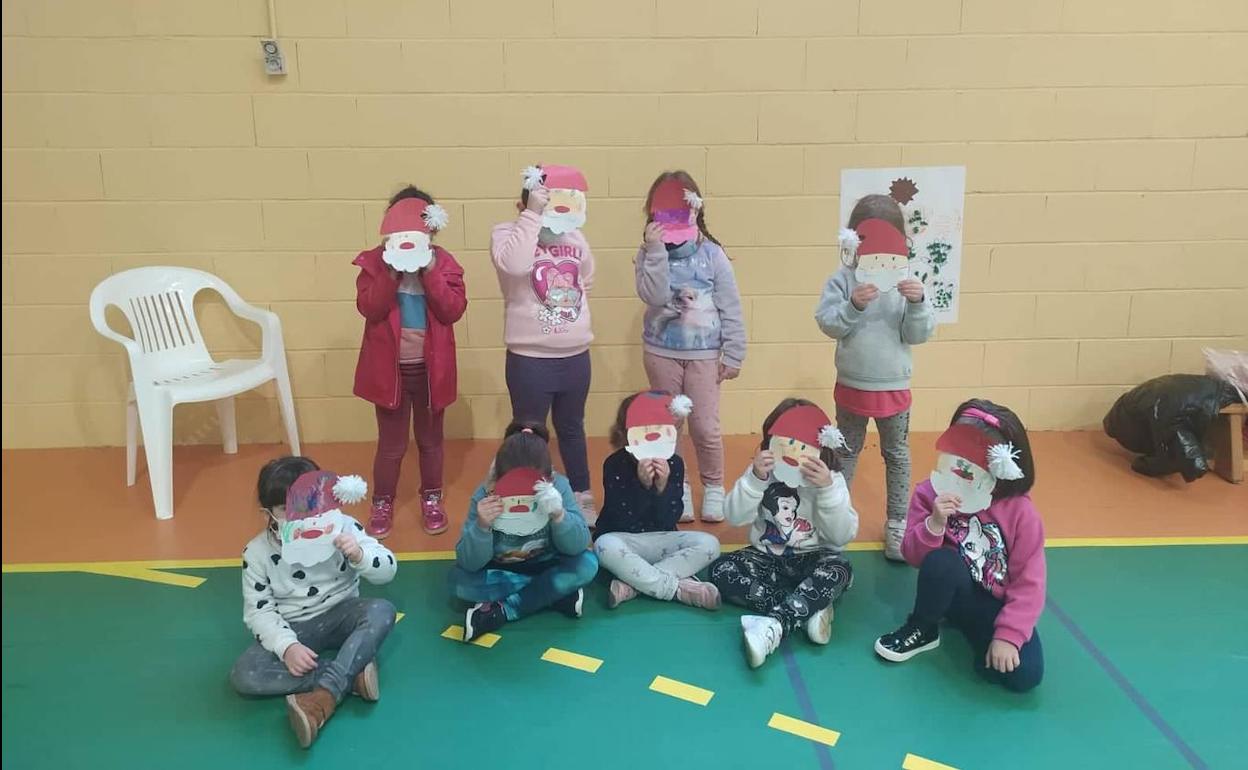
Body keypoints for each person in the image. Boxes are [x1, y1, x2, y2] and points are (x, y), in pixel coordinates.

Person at [874, 400, 1045, 693]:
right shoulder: (931, 492)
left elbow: (1030, 583)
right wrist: (934, 523)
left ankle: (979, 638)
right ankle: (923, 627)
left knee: (1025, 676)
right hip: (949, 592)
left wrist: (1008, 636)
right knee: (943, 562)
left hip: (993, 602)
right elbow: (913, 555)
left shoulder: (1021, 512)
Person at [230, 457, 397, 748]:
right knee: (245, 675)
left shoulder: (344, 527)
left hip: (342, 615)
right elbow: (259, 612)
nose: (298, 517)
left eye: (307, 506)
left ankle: (326, 695)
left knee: (382, 610)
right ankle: (349, 675)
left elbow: (388, 570)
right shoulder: (256, 552)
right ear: (268, 513)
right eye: (286, 509)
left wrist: (360, 555)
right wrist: (287, 646)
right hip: (294, 628)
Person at [815, 194, 934, 560]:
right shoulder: (842, 280)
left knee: (896, 453)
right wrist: (853, 305)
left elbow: (919, 335)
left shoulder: (907, 282)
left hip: (894, 386)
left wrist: (918, 304)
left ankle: (898, 524)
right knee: (845, 453)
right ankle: (838, 521)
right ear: (854, 240)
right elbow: (827, 323)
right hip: (852, 384)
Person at [708, 399, 858, 668]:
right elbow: (733, 516)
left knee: (841, 569)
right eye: (784, 441)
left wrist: (825, 490)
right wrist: (755, 479)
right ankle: (807, 608)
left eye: (802, 444)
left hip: (815, 559)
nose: (792, 451)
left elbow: (841, 537)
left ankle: (774, 625)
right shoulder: (761, 473)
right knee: (721, 570)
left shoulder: (831, 480)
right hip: (768, 558)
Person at [353, 185, 467, 538]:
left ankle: (431, 498)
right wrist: (390, 272)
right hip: (391, 374)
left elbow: (452, 310)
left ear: (431, 228)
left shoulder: (444, 263)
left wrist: (429, 269)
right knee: (391, 445)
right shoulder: (374, 263)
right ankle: (382, 502)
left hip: (432, 373)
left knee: (431, 441)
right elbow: (369, 308)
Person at [635, 170, 745, 523]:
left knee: (705, 426)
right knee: (669, 426)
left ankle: (714, 486)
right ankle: (676, 487)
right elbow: (651, 296)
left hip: (704, 356)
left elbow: (731, 304)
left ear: (695, 209)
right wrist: (654, 251)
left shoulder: (713, 254)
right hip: (661, 353)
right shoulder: (648, 253)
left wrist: (735, 350)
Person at [491, 164, 598, 522]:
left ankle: (581, 495)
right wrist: (533, 215)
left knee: (572, 428)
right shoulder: (508, 233)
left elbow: (587, 279)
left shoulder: (574, 238)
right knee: (528, 432)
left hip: (575, 356)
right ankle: (522, 493)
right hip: (529, 359)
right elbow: (516, 266)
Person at [449, 423, 598, 641]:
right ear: (498, 478)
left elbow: (578, 544)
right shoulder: (484, 495)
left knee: (588, 564)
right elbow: (468, 562)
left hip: (547, 564)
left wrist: (559, 516)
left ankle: (503, 611)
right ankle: (554, 594)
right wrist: (482, 526)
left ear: (549, 478)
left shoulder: (560, 487)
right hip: (503, 571)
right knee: (458, 583)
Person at [594, 391, 722, 609]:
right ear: (626, 433)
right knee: (604, 546)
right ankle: (678, 590)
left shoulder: (675, 463)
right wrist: (642, 486)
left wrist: (661, 488)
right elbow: (621, 517)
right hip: (626, 541)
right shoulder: (615, 464)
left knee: (710, 544)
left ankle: (633, 584)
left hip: (663, 540)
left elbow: (670, 517)